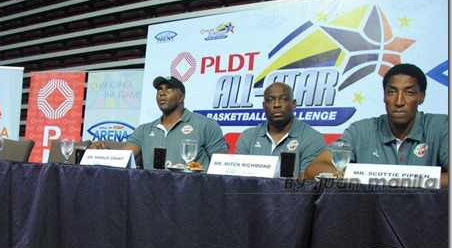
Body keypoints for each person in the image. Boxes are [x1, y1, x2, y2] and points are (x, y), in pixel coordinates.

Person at [304, 63, 448, 188]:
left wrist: (394, 182)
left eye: (409, 92)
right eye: (392, 92)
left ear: (421, 97)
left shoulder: (441, 126)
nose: (399, 101)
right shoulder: (361, 130)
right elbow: (314, 169)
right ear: (384, 96)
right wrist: (369, 178)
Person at [89, 76, 228, 169]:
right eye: (159, 89)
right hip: (152, 196)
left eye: (169, 89)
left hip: (192, 196)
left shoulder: (206, 125)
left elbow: (222, 168)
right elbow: (121, 159)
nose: (162, 92)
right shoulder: (144, 130)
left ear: (182, 96)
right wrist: (101, 152)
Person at [234, 82, 326, 179]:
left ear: (294, 104)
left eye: (283, 99)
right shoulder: (248, 137)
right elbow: (237, 180)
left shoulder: (312, 138)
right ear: (264, 106)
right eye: (270, 100)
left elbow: (306, 184)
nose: (277, 105)